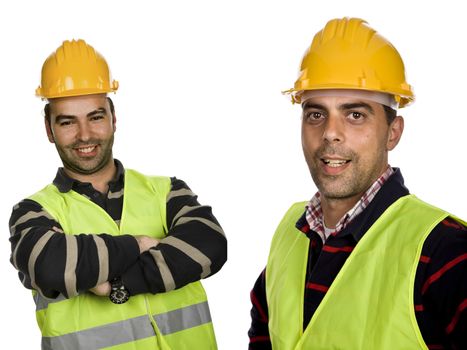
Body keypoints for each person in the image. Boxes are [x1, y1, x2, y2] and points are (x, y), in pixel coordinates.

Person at [248, 17, 466, 349]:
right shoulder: (289, 234)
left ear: (392, 133)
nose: (330, 133)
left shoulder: (444, 252)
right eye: (316, 114)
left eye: (355, 114)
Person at [9, 39, 227, 350]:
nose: (85, 135)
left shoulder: (166, 191)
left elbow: (210, 245)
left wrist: (117, 284)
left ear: (113, 117)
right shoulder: (33, 212)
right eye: (68, 122)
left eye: (95, 117)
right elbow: (51, 265)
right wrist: (139, 244)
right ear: (48, 129)